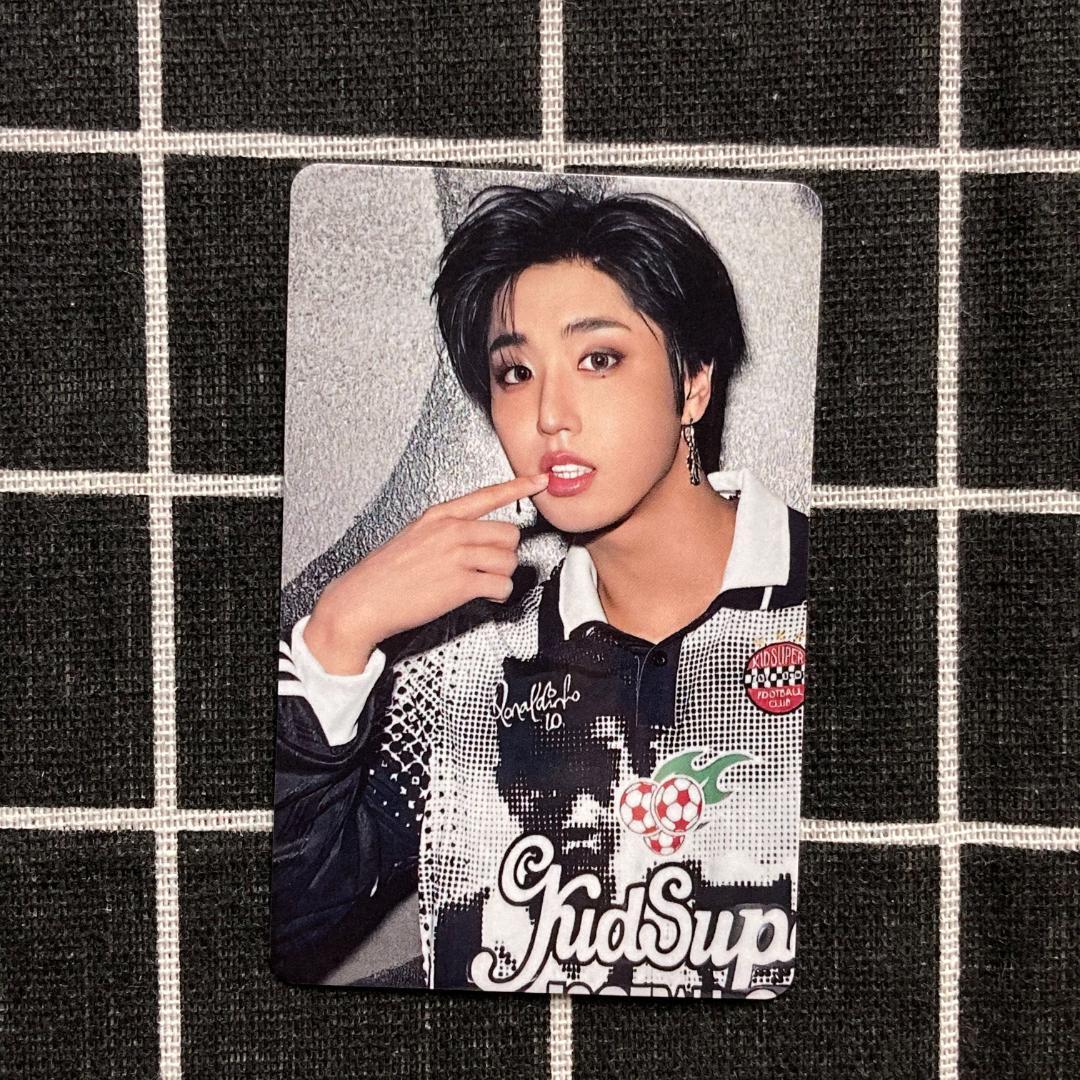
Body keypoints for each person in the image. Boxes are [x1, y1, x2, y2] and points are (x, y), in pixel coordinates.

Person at [272, 181, 807, 997]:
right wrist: (339, 634)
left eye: (599, 359)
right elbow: (284, 925)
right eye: (516, 371)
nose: (550, 413)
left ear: (693, 381)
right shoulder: (460, 668)